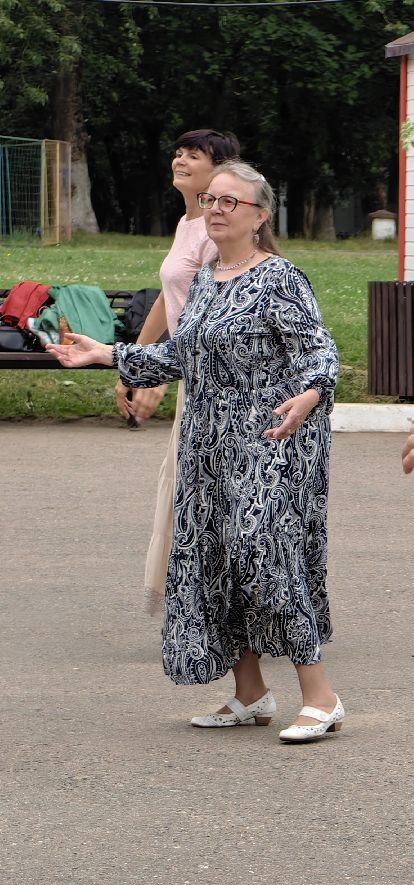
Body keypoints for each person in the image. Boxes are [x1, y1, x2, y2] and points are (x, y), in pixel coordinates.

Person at [48, 161, 345, 745]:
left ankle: (322, 697)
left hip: (268, 441)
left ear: (259, 216)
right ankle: (251, 694)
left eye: (229, 201)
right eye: (210, 199)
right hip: (206, 444)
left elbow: (320, 351)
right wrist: (105, 355)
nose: (214, 208)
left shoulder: (281, 278)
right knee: (213, 560)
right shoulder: (209, 277)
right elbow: (179, 356)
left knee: (265, 554)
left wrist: (311, 393)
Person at [122, 128, 241, 612]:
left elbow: (210, 317)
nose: (181, 160)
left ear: (222, 173)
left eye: (195, 155)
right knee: (188, 488)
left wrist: (161, 375)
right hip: (193, 374)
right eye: (178, 152)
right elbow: (170, 303)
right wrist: (134, 362)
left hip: (221, 383)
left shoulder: (216, 235)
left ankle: (235, 606)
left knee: (211, 490)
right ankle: (208, 601)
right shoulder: (187, 224)